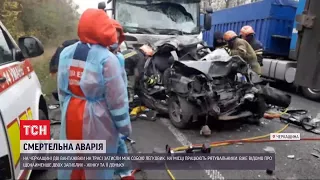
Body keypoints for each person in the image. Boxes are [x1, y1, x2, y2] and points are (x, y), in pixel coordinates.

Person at [57, 9, 132, 180]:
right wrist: (124, 127)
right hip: (98, 118)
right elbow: (117, 100)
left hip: (71, 113)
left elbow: (62, 90)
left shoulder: (66, 52)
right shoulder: (108, 59)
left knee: (72, 161)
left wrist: (65, 111)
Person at [109, 18, 135, 180]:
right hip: (104, 109)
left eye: (118, 38)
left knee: (117, 140)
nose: (115, 41)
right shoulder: (105, 58)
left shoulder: (118, 58)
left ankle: (124, 173)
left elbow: (121, 87)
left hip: (115, 105)